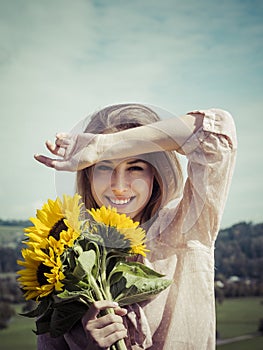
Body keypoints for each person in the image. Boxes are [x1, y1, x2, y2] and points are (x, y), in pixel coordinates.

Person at [35, 103, 237, 350]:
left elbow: (215, 132)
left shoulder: (186, 228)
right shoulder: (62, 256)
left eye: (135, 167)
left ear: (156, 173)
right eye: (105, 166)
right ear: (88, 174)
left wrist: (104, 146)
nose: (119, 185)